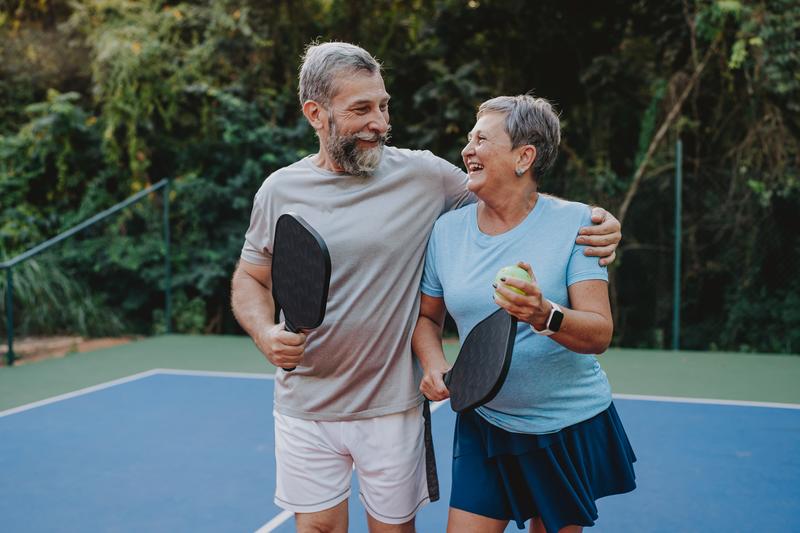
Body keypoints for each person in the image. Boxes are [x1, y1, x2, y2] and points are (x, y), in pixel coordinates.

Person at [231, 42, 622, 533]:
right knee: (316, 528)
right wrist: (265, 333)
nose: (379, 122)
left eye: (383, 106)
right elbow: (250, 276)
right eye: (361, 109)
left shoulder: (425, 176)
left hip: (391, 405)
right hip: (304, 402)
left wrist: (595, 221)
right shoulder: (279, 190)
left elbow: (513, 196)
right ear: (316, 114)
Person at [412, 94, 637, 533]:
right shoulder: (446, 231)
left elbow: (599, 333)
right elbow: (427, 319)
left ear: (524, 157)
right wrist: (433, 363)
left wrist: (544, 314)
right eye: (469, 138)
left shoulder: (579, 225)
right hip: (485, 420)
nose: (467, 149)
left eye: (481, 139)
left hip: (566, 425)